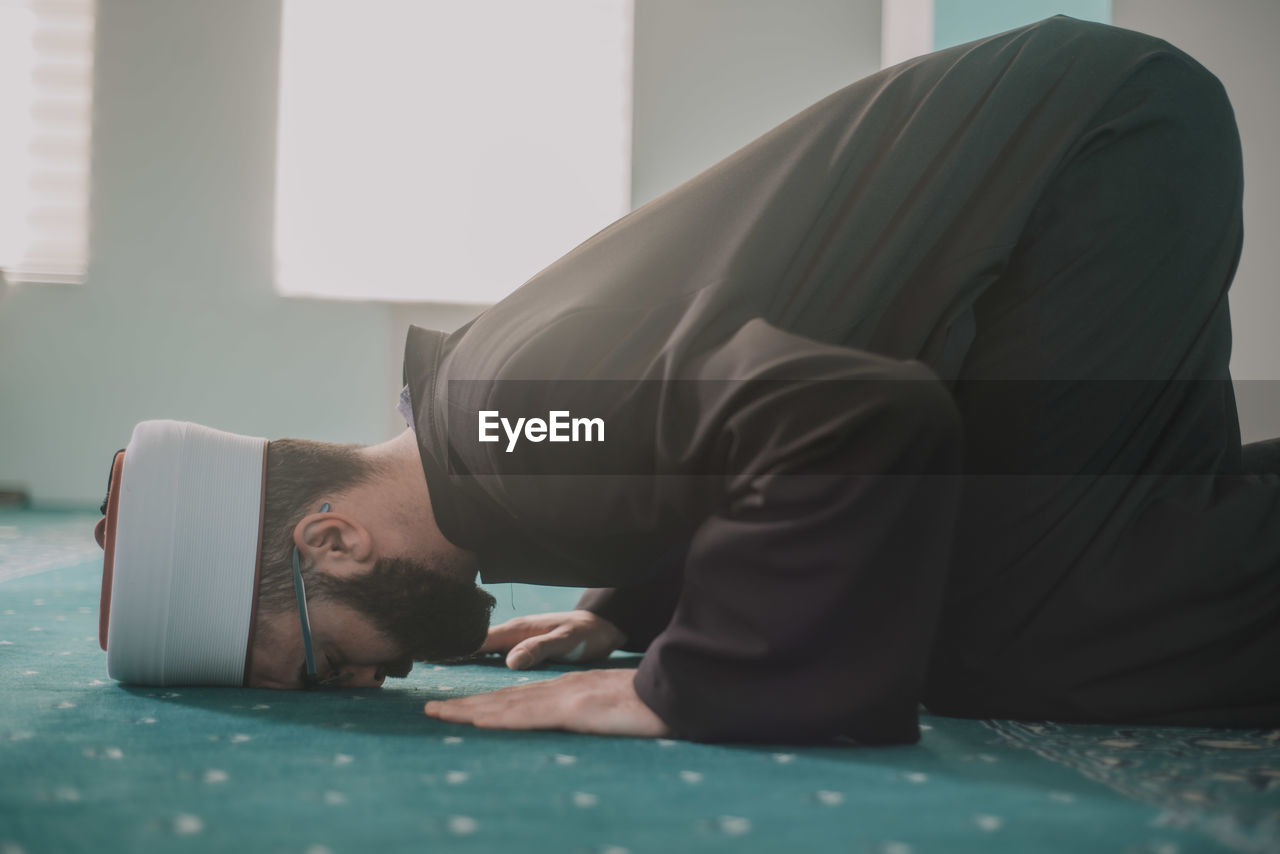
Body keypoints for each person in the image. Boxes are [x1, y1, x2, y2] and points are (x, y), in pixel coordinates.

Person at [94, 15, 1280, 746]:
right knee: (952, 582)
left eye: (302, 656)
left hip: (1084, 154)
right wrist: (634, 606)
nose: (351, 679)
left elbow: (856, 415)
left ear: (332, 538)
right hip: (1064, 162)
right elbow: (711, 442)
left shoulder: (510, 420)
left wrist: (691, 680)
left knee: (1026, 639)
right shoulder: (501, 440)